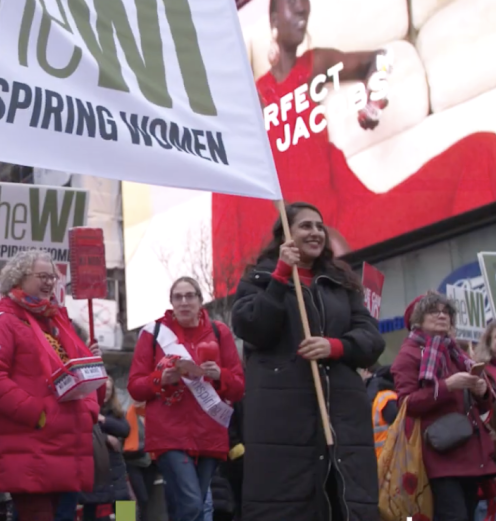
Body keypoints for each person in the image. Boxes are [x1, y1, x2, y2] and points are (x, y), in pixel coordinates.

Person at [212, 0, 496, 278]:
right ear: (274, 18)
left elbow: (381, 60)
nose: (302, 6)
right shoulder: (253, 99)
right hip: (298, 237)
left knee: (479, 152)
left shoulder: (314, 63)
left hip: (350, 213)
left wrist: (375, 92)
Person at [231, 201, 385, 521]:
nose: (315, 232)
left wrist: (337, 347)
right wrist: (280, 276)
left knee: (344, 505)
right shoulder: (258, 279)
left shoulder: (340, 283)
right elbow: (252, 328)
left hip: (341, 422)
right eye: (305, 226)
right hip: (284, 425)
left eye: (319, 226)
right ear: (284, 235)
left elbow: (372, 339)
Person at [0, 249, 103, 521]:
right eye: (42, 276)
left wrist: (89, 409)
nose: (48, 283)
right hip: (31, 443)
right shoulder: (2, 321)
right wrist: (38, 414)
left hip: (64, 444)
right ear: (18, 278)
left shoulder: (58, 322)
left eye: (52, 278)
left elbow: (84, 373)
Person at [128, 276, 245, 521]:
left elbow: (238, 387)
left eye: (189, 296)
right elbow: (135, 387)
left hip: (209, 434)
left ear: (201, 301)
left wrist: (219, 375)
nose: (184, 302)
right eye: (178, 297)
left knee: (193, 507)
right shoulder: (154, 334)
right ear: (171, 302)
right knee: (191, 505)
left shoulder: (219, 332)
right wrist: (161, 379)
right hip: (168, 436)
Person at [390, 293, 496, 521]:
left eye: (446, 311)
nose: (441, 315)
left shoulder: (456, 352)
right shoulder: (408, 355)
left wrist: (482, 391)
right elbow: (407, 404)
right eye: (433, 311)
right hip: (438, 456)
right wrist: (447, 385)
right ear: (417, 319)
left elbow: (484, 403)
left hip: (469, 452)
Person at [79, 377, 132, 521]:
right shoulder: (84, 408)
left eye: (108, 389)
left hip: (116, 469)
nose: (105, 393)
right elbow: (82, 433)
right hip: (96, 472)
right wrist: (105, 437)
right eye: (102, 389)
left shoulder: (114, 411)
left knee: (126, 514)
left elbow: (125, 429)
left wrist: (103, 419)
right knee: (95, 511)